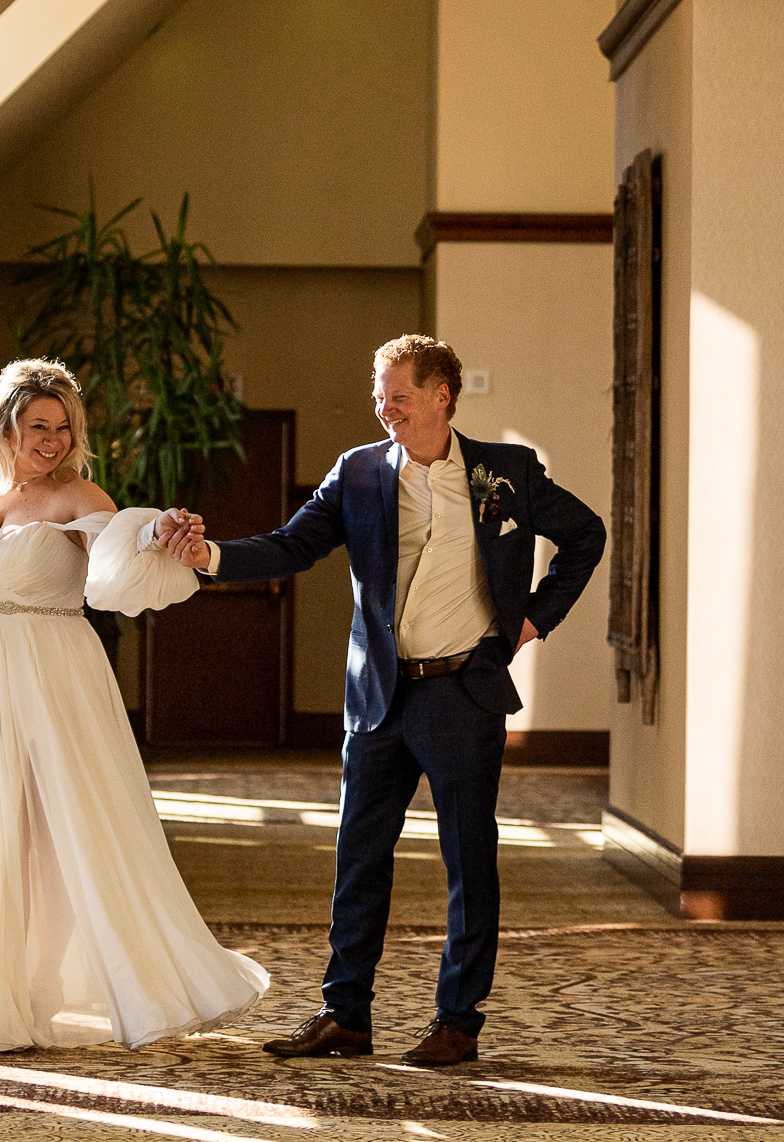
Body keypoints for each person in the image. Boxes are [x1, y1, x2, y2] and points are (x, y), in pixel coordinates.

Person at [155, 335, 604, 1068]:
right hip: (380, 697)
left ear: (442, 397)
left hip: (464, 692)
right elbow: (293, 545)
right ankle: (346, 1015)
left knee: (468, 859)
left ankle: (457, 1021)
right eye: (378, 394)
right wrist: (211, 556)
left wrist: (531, 620)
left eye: (398, 394)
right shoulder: (358, 472)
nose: (383, 407)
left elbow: (586, 534)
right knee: (358, 856)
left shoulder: (506, 472)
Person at [0, 358, 269, 1053]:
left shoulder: (76, 494)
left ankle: (46, 988)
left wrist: (157, 535)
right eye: (39, 425)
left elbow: (119, 557)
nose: (54, 440)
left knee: (56, 830)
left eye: (63, 427)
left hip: (53, 674)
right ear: (5, 425)